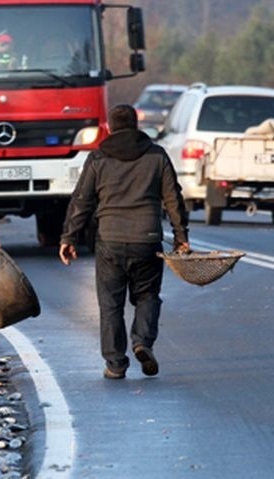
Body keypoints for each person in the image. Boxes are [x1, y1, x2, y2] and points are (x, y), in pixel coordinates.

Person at [58, 104, 190, 380]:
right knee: (147, 296)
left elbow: (82, 200)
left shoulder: (97, 158)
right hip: (148, 239)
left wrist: (69, 237)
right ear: (136, 125)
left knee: (110, 304)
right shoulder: (157, 156)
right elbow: (173, 199)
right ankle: (142, 341)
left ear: (110, 127)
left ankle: (116, 364)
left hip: (110, 241)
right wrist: (181, 237)